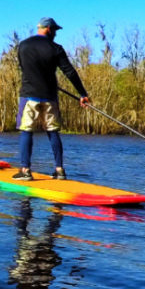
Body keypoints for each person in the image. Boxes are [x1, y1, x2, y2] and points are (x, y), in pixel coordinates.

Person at [13, 17, 91, 180]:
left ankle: (25, 171)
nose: (55, 33)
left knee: (26, 130)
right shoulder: (56, 48)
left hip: (29, 95)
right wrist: (82, 94)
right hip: (50, 96)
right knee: (52, 131)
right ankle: (60, 170)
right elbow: (69, 71)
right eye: (54, 30)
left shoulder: (23, 45)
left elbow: (24, 67)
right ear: (48, 28)